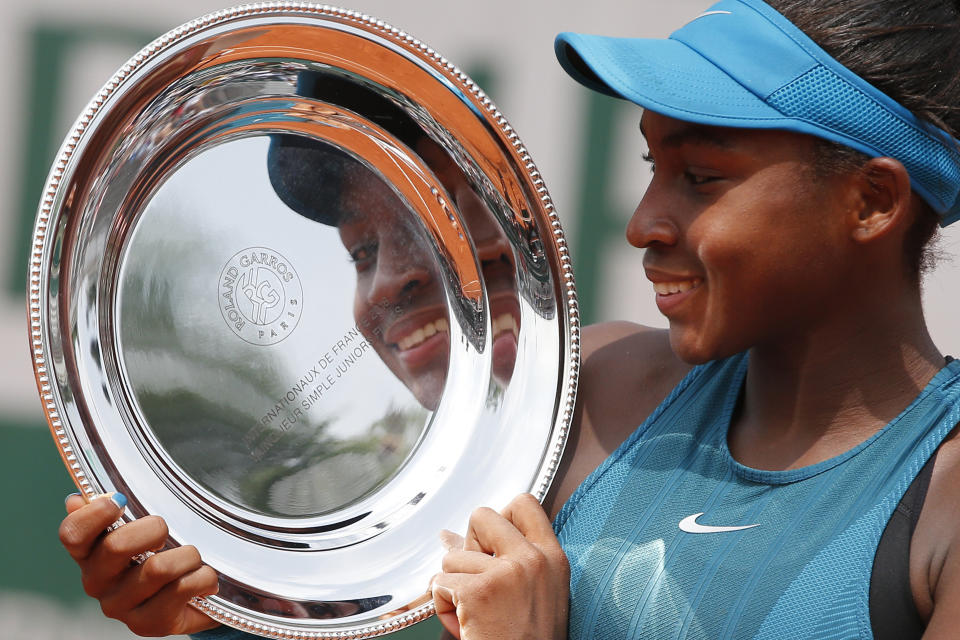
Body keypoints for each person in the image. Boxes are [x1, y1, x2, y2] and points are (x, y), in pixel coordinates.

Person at [57, 0, 960, 638]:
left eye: (701, 178)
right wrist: (219, 615)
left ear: (871, 202)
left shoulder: (942, 507)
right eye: (650, 167)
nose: (645, 221)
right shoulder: (595, 389)